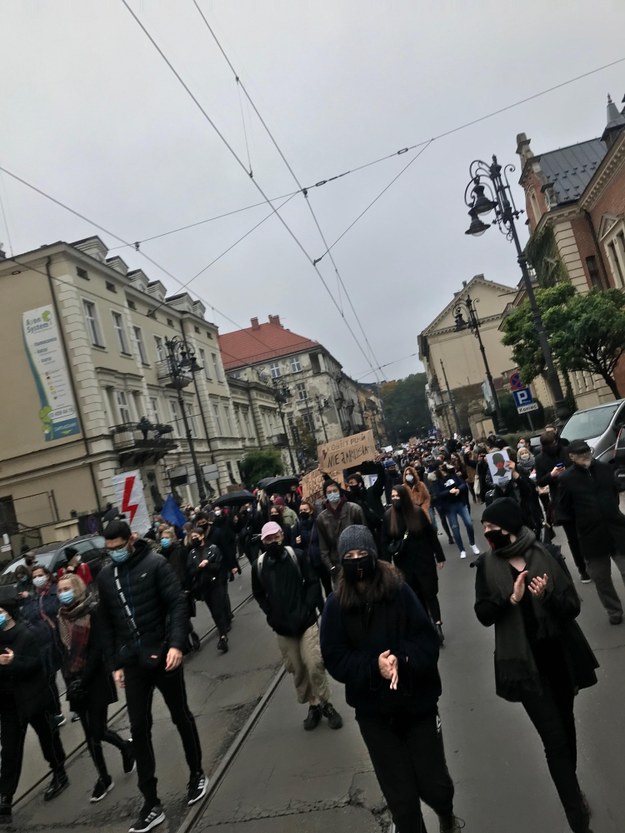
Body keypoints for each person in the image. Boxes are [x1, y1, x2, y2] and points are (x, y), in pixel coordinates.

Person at [320, 526, 462, 833]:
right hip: (374, 715)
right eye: (349, 557)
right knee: (401, 799)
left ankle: (446, 814)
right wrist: (374, 666)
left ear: (374, 555)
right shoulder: (335, 606)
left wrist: (402, 659)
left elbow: (426, 642)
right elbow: (335, 658)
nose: (357, 562)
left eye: (362, 555)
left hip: (418, 704)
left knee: (434, 784)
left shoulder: (399, 591)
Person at [475, 498, 598, 833]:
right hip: (524, 666)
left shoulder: (546, 554)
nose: (488, 535)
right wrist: (510, 599)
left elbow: (571, 607)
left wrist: (546, 597)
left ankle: (571, 789)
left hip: (559, 658)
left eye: (492, 528)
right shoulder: (487, 565)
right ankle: (577, 818)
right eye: (485, 530)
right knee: (554, 740)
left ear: (511, 527)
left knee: (567, 732)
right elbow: (483, 614)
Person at [98, 520, 206, 833]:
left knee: (180, 715)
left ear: (131, 539)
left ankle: (196, 773)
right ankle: (151, 802)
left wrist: (175, 644)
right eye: (110, 550)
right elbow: (105, 623)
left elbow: (176, 603)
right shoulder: (107, 577)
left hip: (163, 655)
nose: (115, 553)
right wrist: (114, 663)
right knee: (138, 727)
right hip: (132, 662)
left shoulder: (155, 564)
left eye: (119, 547)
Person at [252, 521, 343, 732]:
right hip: (283, 628)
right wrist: (271, 615)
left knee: (313, 663)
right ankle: (313, 706)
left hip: (305, 621)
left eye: (275, 536)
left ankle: (326, 703)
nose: (272, 541)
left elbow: (312, 582)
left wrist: (308, 607)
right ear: (263, 541)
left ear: (282, 536)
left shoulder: (297, 556)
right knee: (298, 669)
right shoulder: (260, 565)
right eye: (267, 538)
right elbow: (258, 594)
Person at [57, 574, 135, 802]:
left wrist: (84, 677)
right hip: (75, 683)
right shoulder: (60, 618)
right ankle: (104, 777)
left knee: (98, 730)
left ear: (77, 589)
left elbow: (99, 649)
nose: (62, 593)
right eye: (59, 589)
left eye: (66, 588)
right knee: (88, 735)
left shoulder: (92, 612)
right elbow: (61, 653)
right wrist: (70, 679)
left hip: (96, 680)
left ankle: (125, 747)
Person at [0, 595, 68, 820]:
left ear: (7, 612)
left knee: (47, 738)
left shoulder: (25, 634)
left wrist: (13, 663)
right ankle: (5, 800)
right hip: (9, 705)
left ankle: (60, 772)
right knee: (9, 752)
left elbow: (36, 664)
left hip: (34, 699)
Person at [559, 439, 625, 624]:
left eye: (587, 452)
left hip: (616, 528)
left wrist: (610, 511)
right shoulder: (566, 479)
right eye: (580, 454)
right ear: (571, 457)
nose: (585, 457)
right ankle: (614, 611)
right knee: (601, 578)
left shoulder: (604, 469)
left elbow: (614, 493)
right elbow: (564, 510)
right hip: (591, 536)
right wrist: (583, 521)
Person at [384, 486, 446, 644]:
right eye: (392, 496)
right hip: (404, 565)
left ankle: (437, 624)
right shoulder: (388, 516)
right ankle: (427, 625)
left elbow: (431, 536)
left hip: (424, 561)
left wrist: (439, 556)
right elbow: (385, 542)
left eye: (398, 495)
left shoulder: (417, 512)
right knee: (416, 597)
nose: (395, 498)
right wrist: (386, 567)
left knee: (430, 594)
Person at [535, 432, 590, 583]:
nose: (551, 447)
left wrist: (568, 471)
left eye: (553, 444)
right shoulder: (540, 459)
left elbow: (582, 468)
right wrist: (551, 475)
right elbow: (540, 482)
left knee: (586, 532)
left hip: (578, 498)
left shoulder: (567, 451)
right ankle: (582, 569)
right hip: (561, 502)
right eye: (548, 445)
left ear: (557, 441)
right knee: (573, 538)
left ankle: (591, 561)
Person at [20, 564, 64, 726]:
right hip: (44, 644)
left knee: (68, 674)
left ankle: (78, 705)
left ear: (47, 575)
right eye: (34, 576)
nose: (37, 578)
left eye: (40, 575)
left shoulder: (56, 592)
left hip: (61, 639)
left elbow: (59, 611)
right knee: (49, 679)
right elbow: (27, 618)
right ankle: (56, 712)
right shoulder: (32, 598)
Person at [187, 526, 230, 653]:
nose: (194, 539)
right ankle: (221, 628)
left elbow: (218, 565)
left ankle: (223, 636)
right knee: (213, 610)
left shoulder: (212, 549)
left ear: (202, 536)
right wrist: (199, 568)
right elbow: (190, 571)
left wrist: (208, 564)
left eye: (196, 536)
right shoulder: (192, 554)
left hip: (215, 583)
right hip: (202, 586)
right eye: (192, 537)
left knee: (217, 609)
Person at [316, 480, 365, 586]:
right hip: (337, 566)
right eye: (329, 492)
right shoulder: (321, 518)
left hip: (357, 561)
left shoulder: (354, 510)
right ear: (325, 495)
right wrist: (331, 567)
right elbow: (323, 548)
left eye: (334, 490)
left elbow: (365, 538)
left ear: (339, 491)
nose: (332, 494)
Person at [430, 464, 480, 559]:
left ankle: (472, 544)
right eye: (440, 469)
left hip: (460, 503)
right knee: (455, 529)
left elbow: (463, 485)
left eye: (444, 469)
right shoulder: (437, 482)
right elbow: (438, 494)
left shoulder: (453, 476)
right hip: (449, 508)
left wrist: (458, 490)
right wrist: (449, 492)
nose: (443, 471)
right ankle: (461, 549)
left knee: (469, 523)